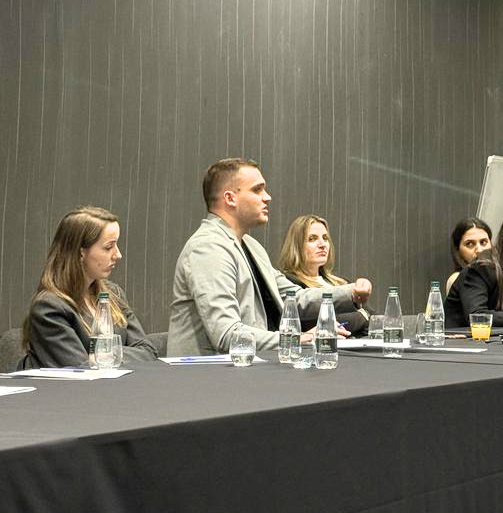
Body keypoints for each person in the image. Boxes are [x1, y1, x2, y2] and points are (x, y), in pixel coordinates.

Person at [167, 158, 371, 355]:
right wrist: (299, 339)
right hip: (205, 379)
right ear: (230, 198)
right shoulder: (208, 248)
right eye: (257, 189)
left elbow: (294, 297)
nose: (267, 197)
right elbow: (228, 335)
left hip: (244, 371)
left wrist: (350, 293)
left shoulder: (251, 245)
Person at [20, 206, 158, 368]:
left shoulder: (113, 294)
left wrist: (101, 356)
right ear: (80, 253)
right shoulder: (49, 307)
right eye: (108, 247)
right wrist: (110, 356)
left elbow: (147, 351)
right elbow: (81, 368)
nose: (118, 254)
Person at [279, 215, 373, 336]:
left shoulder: (341, 282)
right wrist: (361, 315)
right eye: (312, 239)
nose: (322, 244)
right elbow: (316, 320)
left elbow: (373, 320)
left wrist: (360, 317)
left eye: (325, 238)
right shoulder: (290, 283)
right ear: (296, 246)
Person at [446, 217, 493, 295]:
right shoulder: (457, 278)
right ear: (458, 249)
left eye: (483, 242)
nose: (479, 250)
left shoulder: (499, 275)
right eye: (470, 244)